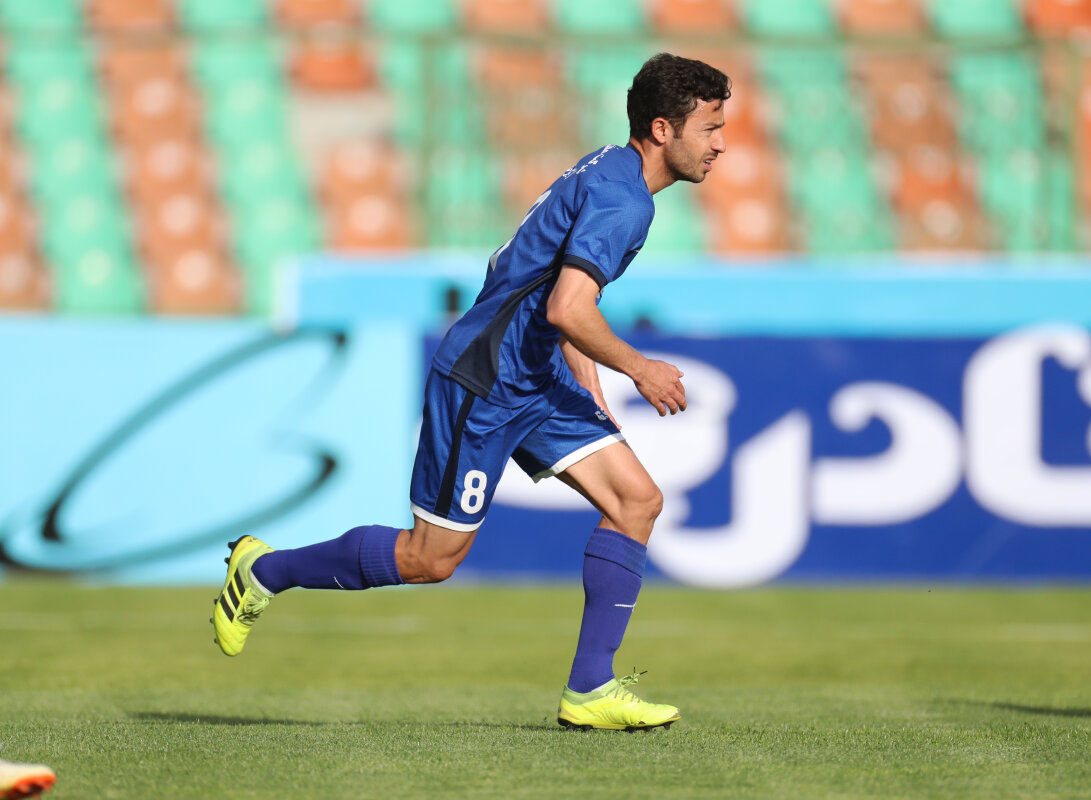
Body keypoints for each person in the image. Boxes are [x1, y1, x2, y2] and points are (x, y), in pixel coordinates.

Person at [211, 52, 730, 731]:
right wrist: (641, 368)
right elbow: (568, 307)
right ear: (663, 129)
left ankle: (590, 690)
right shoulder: (624, 201)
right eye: (710, 127)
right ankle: (265, 571)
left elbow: (552, 295)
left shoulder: (609, 169)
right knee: (431, 560)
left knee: (637, 500)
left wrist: (591, 392)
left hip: (533, 376)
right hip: (484, 379)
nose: (720, 144)